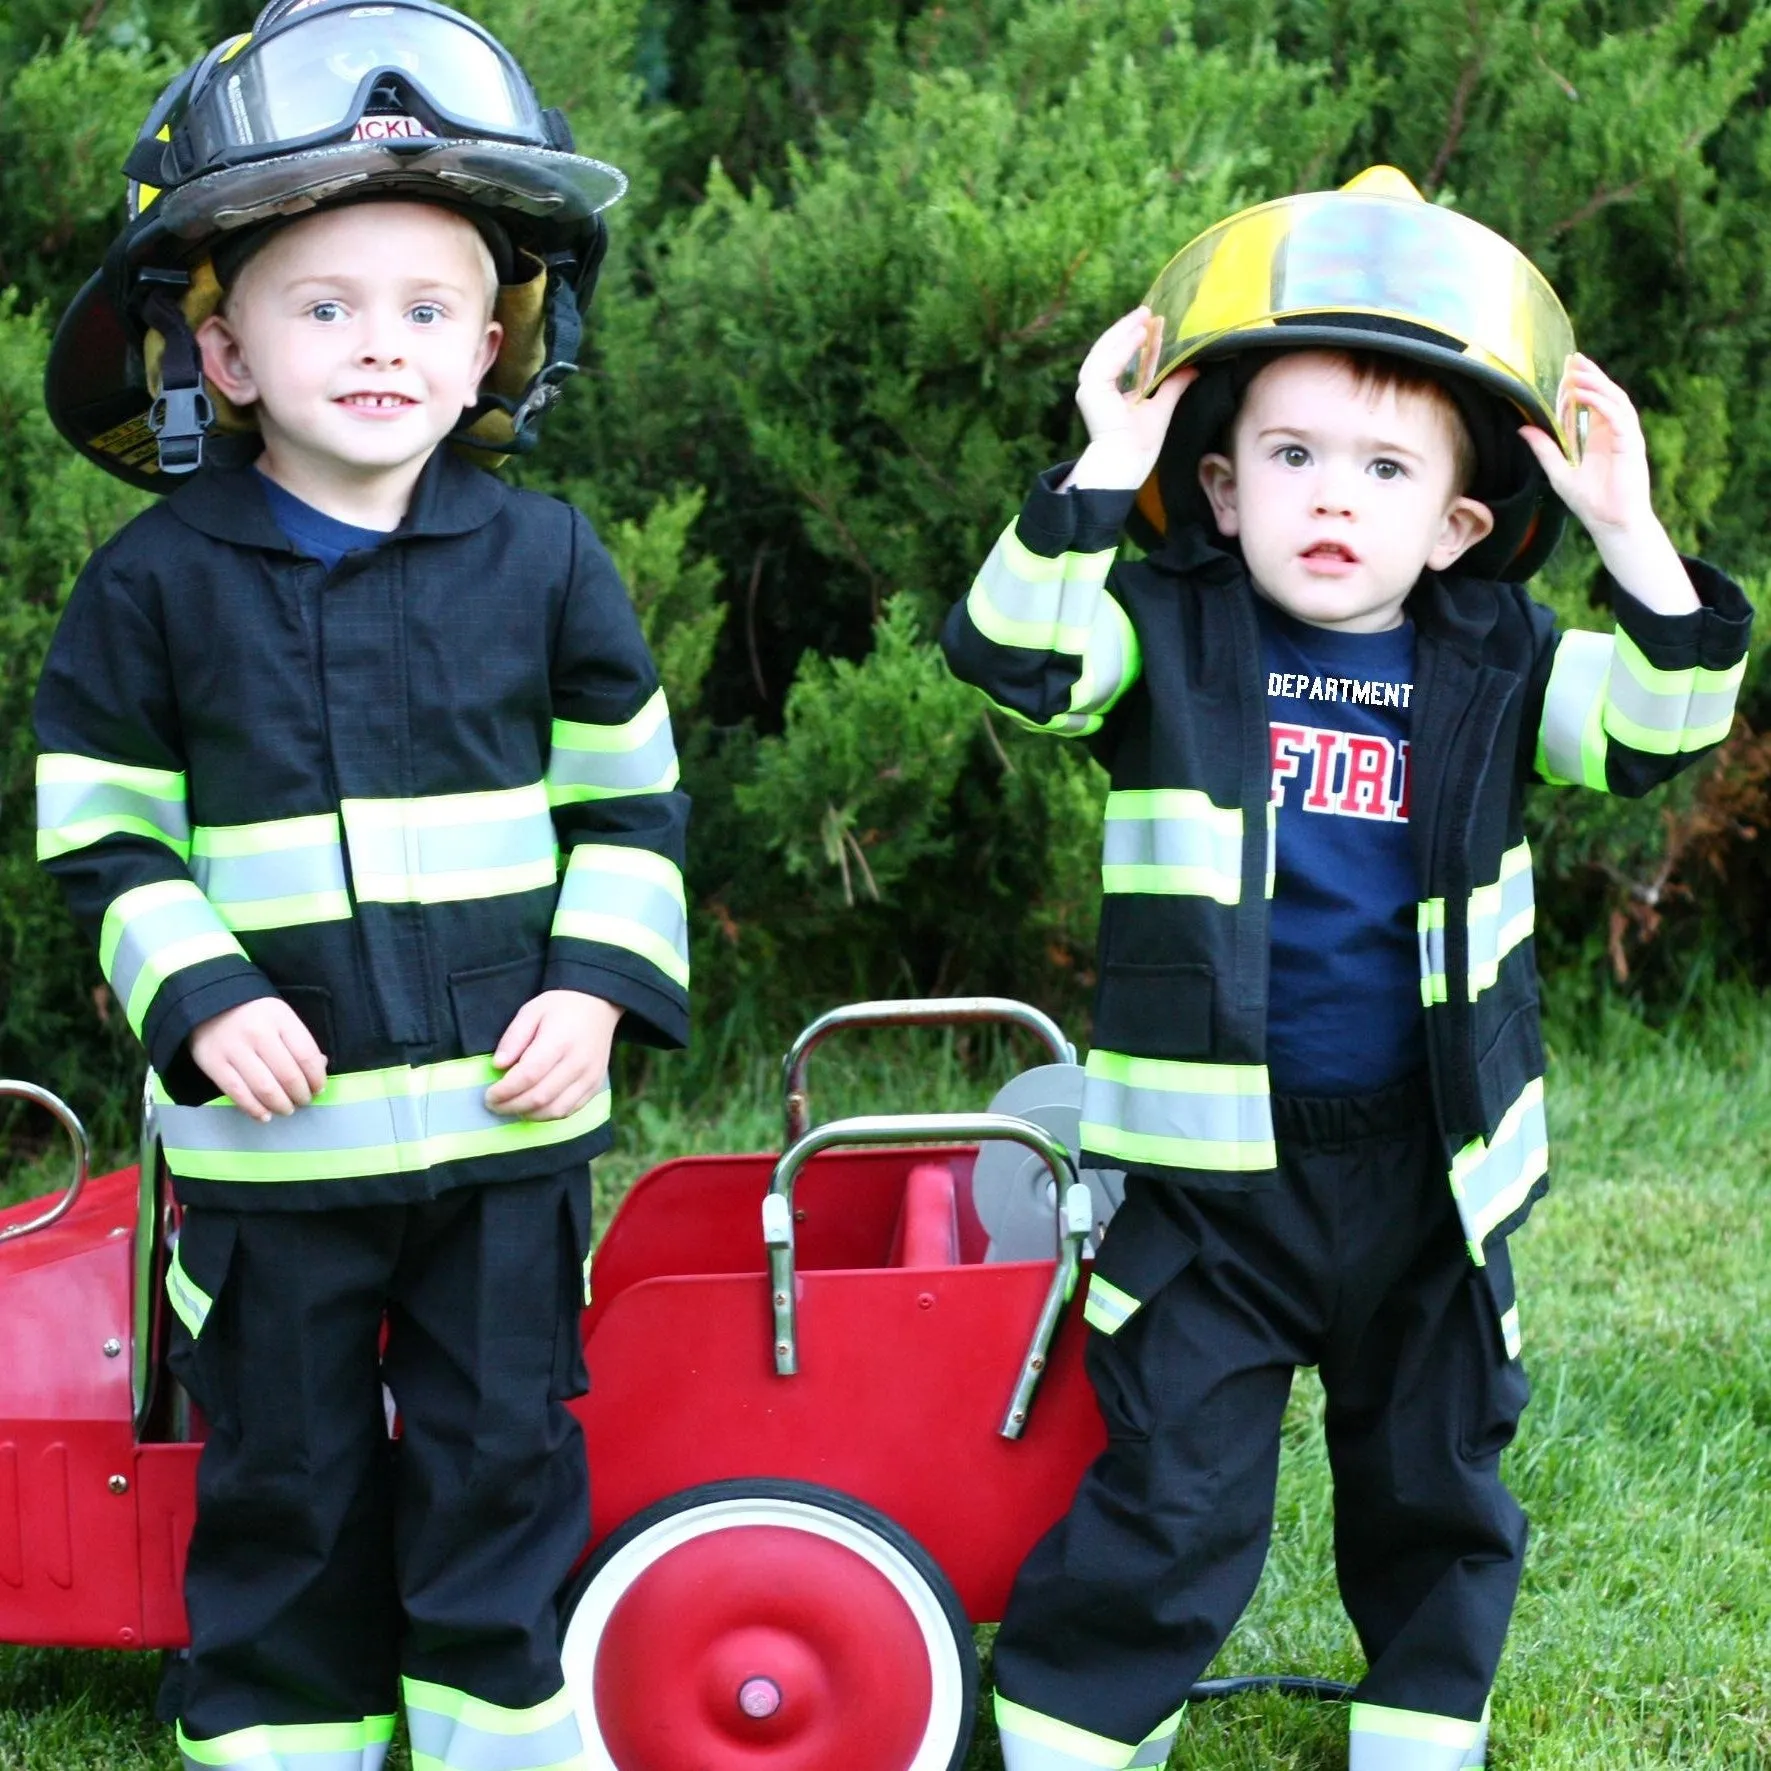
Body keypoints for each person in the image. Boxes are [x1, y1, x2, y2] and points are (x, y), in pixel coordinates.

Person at [941, 167, 1752, 1771]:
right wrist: (1106, 464)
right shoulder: (1159, 639)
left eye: (1383, 469)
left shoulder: (1498, 658)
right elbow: (1010, 651)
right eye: (1290, 456)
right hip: (1209, 1182)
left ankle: (1418, 1730)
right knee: (1168, 1486)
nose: (1330, 496)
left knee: (1434, 1474)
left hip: (1428, 1169)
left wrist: (1628, 530)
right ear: (1223, 488)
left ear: (1457, 523)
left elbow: (1669, 721)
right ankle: (1067, 1732)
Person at [32, 5, 687, 1768]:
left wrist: (596, 988)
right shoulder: (156, 586)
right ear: (224, 352)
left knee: (504, 1453)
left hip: (498, 1136)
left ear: (495, 348)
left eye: (427, 309)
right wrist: (205, 991)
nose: (381, 346)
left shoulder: (547, 562)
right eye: (324, 305)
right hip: (276, 1151)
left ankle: (499, 1728)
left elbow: (635, 806)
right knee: (287, 1467)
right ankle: (279, 1733)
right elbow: (101, 830)